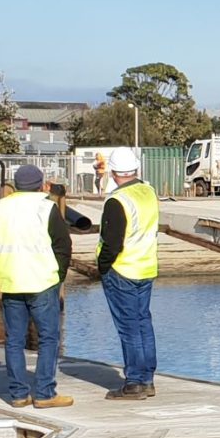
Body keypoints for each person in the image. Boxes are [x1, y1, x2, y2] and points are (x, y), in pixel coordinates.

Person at [0, 164, 73, 409]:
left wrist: (0, 265)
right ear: (40, 184)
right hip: (42, 281)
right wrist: (59, 275)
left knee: (14, 340)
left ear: (16, 184)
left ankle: (18, 394)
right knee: (48, 338)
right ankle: (44, 393)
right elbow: (63, 245)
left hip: (11, 280)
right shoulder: (47, 207)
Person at [95, 147, 161, 399]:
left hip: (122, 268)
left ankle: (134, 382)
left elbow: (112, 241)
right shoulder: (148, 191)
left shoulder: (117, 200)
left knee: (128, 327)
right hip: (145, 266)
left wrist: (102, 265)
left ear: (112, 172)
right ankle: (147, 379)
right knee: (143, 322)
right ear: (136, 169)